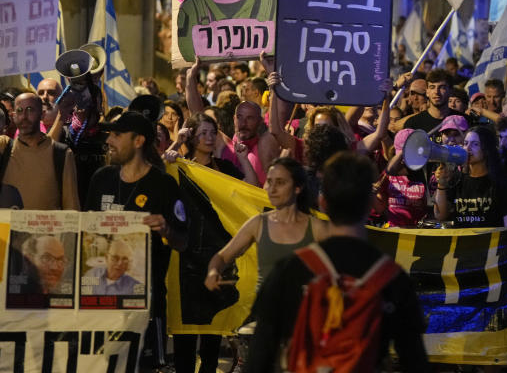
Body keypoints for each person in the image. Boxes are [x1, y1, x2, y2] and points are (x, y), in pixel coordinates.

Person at [245, 152, 428, 372]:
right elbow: (415, 361)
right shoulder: (392, 278)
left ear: (323, 202)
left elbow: (258, 358)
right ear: (370, 203)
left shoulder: (289, 270)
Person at [84, 111, 188, 368]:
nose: (109, 141)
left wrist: (166, 230)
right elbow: (85, 233)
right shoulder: (101, 179)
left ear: (139, 141)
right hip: (102, 304)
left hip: (146, 306)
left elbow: (183, 242)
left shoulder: (163, 185)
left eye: (117, 135)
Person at [205, 158, 327, 292]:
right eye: (270, 181)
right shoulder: (258, 223)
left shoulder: (316, 228)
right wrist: (213, 272)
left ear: (298, 188)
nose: (272, 189)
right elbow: (222, 257)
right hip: (263, 310)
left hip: (301, 310)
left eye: (280, 182)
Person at [0, 92, 80, 210]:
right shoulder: (4, 146)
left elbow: (71, 207)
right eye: (20, 110)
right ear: (13, 116)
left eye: (30, 110)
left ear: (42, 115)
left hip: (46, 227)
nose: (24, 116)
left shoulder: (61, 153)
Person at [434, 126, 507, 228]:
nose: (468, 148)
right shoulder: (456, 179)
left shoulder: (500, 182)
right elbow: (440, 215)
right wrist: (441, 184)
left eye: (475, 144)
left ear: (487, 150)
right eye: (466, 143)